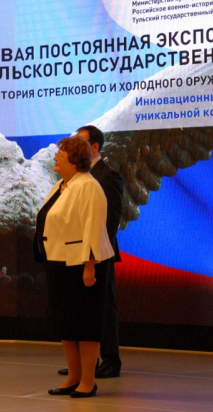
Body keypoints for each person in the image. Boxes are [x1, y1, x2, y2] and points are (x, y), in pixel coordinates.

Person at [35, 135, 114, 398]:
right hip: (59, 263)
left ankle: (88, 381)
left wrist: (89, 267)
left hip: (83, 265)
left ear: (75, 159)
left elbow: (94, 228)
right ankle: (73, 377)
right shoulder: (61, 185)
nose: (55, 158)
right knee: (65, 324)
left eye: (60, 154)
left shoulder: (88, 186)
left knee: (86, 325)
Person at [76, 125, 125, 378]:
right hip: (74, 251)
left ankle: (110, 361)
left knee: (104, 307)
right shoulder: (75, 176)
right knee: (81, 308)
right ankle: (85, 363)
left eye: (80, 141)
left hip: (100, 252)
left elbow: (111, 221)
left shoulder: (109, 176)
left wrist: (94, 253)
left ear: (94, 146)